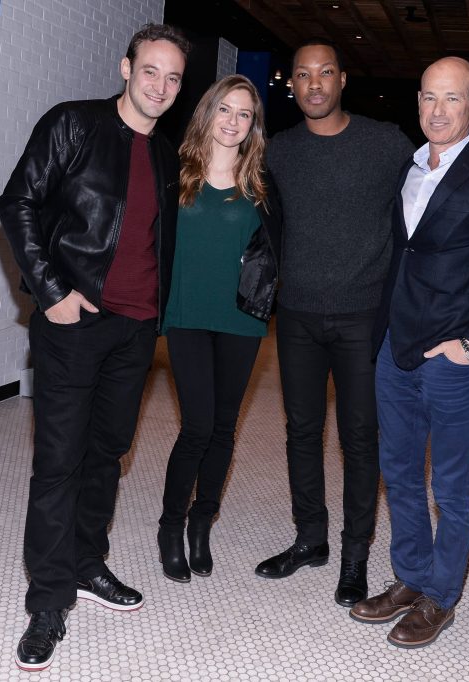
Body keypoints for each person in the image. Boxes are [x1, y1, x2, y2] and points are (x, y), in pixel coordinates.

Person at [0, 24, 190, 672]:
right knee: (59, 462)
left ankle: (86, 564)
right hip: (74, 320)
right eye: (151, 71)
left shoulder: (166, 156)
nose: (161, 86)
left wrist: (159, 314)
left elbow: (156, 244)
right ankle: (48, 599)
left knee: (107, 453)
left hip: (135, 331)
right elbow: (16, 200)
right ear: (126, 67)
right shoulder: (73, 126)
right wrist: (49, 290)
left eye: (173, 78)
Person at [350, 56, 469, 649]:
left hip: (453, 358)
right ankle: (410, 577)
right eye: (429, 97)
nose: (437, 110)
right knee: (399, 473)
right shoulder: (408, 168)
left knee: (451, 486)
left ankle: (441, 597)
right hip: (394, 348)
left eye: (452, 99)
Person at [252, 38, 414, 608]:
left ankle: (355, 557)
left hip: (363, 317)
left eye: (325, 73)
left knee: (359, 439)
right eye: (302, 75)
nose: (314, 84)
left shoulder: (385, 142)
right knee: (301, 432)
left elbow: (434, 182)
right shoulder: (279, 150)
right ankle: (310, 540)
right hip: (296, 315)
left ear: (343, 80)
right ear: (290, 85)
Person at [157, 75, 281, 583]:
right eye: (225, 110)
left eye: (244, 114)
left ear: (254, 125)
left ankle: (201, 522)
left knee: (225, 426)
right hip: (186, 314)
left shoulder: (263, 185)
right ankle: (170, 526)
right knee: (198, 426)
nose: (233, 121)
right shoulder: (174, 170)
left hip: (240, 319)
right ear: (208, 113)